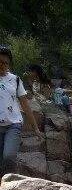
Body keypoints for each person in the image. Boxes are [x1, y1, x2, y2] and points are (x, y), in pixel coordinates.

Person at [0, 45, 41, 176]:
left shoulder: (15, 80)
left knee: (8, 157)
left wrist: (35, 128)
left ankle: (9, 187)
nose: (2, 65)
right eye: (0, 62)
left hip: (13, 125)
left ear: (9, 64)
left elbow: (25, 105)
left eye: (5, 63)